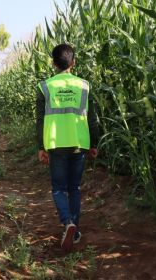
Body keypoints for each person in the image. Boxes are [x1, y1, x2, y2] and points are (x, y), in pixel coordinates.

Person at [36, 43, 100, 252]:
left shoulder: (45, 86)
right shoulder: (84, 86)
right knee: (74, 188)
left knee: (58, 189)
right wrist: (94, 143)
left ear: (53, 63)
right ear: (73, 62)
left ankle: (67, 222)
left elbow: (39, 120)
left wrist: (41, 147)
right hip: (79, 143)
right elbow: (92, 119)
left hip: (55, 143)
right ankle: (75, 230)